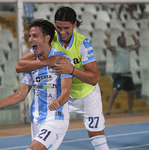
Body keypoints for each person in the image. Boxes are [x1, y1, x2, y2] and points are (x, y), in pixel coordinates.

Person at [16, 6, 110, 150]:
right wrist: (47, 61)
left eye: (66, 28)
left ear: (74, 25)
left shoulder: (83, 43)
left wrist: (71, 70)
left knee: (98, 140)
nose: (62, 32)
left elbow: (93, 78)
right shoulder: (49, 38)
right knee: (45, 140)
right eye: (58, 27)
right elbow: (20, 65)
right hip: (62, 95)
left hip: (86, 95)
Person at [0, 19, 73, 150]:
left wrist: (58, 102)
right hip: (36, 120)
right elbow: (20, 94)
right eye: (30, 36)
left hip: (55, 118)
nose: (30, 39)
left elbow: (66, 91)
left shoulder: (62, 60)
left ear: (47, 38)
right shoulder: (31, 64)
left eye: (35, 36)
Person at [105, 29, 141, 115]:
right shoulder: (116, 49)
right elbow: (109, 47)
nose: (124, 41)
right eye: (123, 40)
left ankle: (130, 110)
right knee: (115, 92)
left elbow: (138, 45)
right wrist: (108, 37)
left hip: (128, 74)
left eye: (125, 40)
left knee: (131, 93)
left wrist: (133, 36)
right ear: (118, 42)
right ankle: (108, 111)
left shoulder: (127, 48)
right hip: (119, 75)